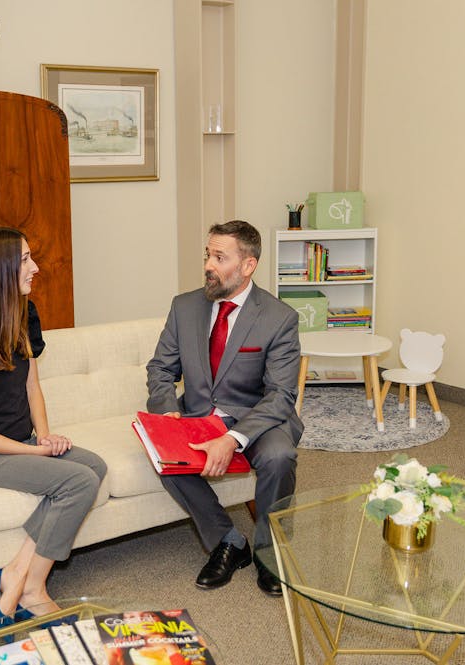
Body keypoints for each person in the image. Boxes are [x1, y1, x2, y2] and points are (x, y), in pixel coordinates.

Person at [0, 226, 107, 623]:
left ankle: (16, 568)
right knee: (77, 482)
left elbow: (31, 384)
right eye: (26, 260)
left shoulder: (23, 313)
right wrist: (36, 452)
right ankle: (33, 587)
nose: (36, 267)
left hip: (23, 441)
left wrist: (44, 435)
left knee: (94, 466)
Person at [146, 220, 302, 596]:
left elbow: (280, 394)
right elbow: (160, 369)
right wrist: (168, 413)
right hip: (199, 413)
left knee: (280, 456)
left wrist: (232, 439)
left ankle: (270, 552)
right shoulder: (184, 307)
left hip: (258, 416)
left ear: (248, 266)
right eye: (207, 255)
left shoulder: (280, 318)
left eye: (219, 257)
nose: (208, 265)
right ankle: (229, 541)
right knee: (166, 455)